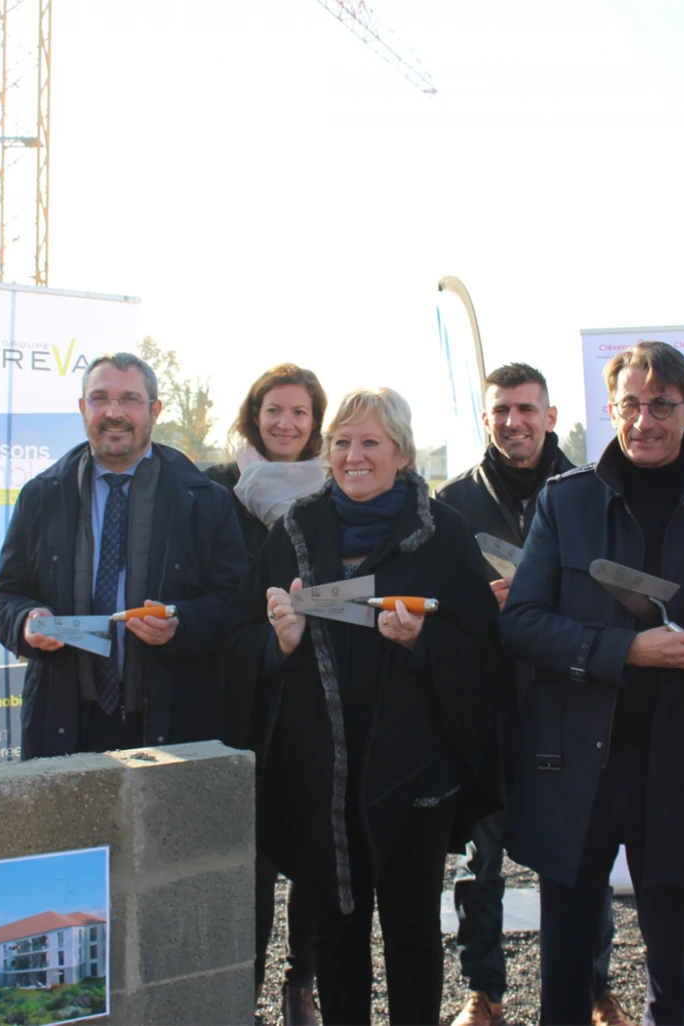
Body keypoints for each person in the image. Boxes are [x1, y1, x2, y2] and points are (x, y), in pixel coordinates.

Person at [224, 387, 503, 1026]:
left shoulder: (441, 533)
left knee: (412, 932)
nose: (354, 456)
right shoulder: (295, 530)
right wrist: (280, 643)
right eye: (343, 442)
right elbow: (239, 641)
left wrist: (423, 644)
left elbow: (483, 647)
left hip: (414, 773)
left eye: (370, 442)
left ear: (401, 453)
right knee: (334, 929)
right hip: (316, 772)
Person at [502, 342, 684, 1026]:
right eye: (631, 405)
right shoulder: (569, 503)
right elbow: (522, 624)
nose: (644, 421)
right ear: (612, 409)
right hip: (577, 770)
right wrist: (629, 650)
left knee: (674, 970)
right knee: (563, 967)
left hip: (683, 768)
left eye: (662, 405)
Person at [437, 363, 627, 1026]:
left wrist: (545, 603)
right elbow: (435, 608)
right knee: (479, 859)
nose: (513, 423)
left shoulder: (596, 493)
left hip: (569, 706)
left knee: (582, 856)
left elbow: (616, 600)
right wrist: (478, 607)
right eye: (501, 411)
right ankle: (482, 990)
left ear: (550, 415)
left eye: (526, 409)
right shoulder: (453, 504)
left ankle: (594, 987)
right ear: (486, 420)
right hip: (488, 706)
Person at [0, 352, 247, 758]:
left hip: (173, 723)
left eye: (129, 400)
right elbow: (3, 597)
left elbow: (234, 601)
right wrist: (26, 620)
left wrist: (182, 622)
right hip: (65, 722)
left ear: (155, 410)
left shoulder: (205, 500)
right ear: (82, 408)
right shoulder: (41, 496)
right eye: (100, 398)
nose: (113, 412)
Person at [205, 363, 328, 1025]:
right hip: (241, 692)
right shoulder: (218, 489)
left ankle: (300, 983)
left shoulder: (334, 493)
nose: (286, 424)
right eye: (274, 411)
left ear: (316, 425)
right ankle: (242, 991)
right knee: (247, 862)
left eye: (300, 414)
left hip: (314, 696)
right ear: (254, 415)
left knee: (313, 847)